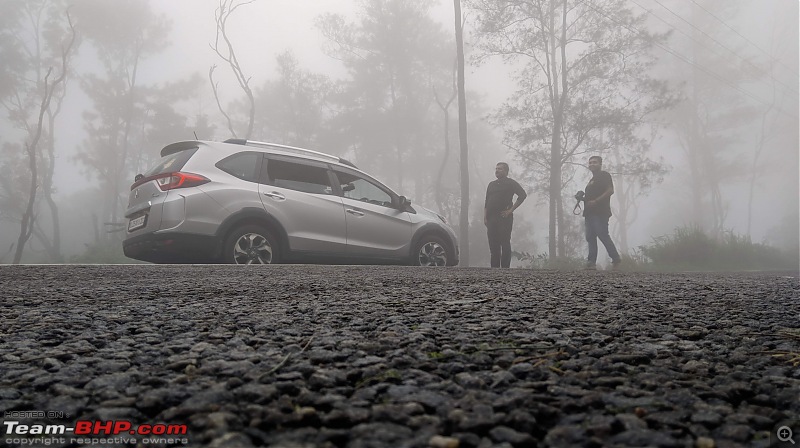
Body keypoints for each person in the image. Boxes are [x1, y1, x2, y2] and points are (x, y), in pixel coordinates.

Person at [484, 162, 527, 268]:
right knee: (493, 245)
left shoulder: (511, 183)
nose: (497, 170)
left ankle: (505, 269)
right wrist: (485, 217)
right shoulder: (491, 184)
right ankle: (494, 268)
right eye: (496, 168)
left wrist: (511, 210)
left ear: (506, 171)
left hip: (504, 217)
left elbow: (522, 195)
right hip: (491, 218)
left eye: (500, 169)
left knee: (505, 242)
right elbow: (487, 201)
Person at [583, 155, 621, 270]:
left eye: (594, 162)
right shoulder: (591, 181)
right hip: (589, 213)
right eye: (590, 162)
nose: (592, 164)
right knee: (590, 237)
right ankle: (591, 262)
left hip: (600, 212)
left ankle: (616, 260)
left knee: (602, 235)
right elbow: (590, 197)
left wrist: (596, 201)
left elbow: (610, 190)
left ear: (600, 164)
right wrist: (581, 197)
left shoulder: (604, 175)